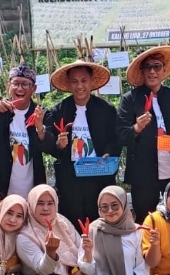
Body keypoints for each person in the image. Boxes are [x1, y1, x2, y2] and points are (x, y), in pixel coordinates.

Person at [116, 46, 170, 224]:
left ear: (164, 70)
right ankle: (146, 252)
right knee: (146, 219)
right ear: (141, 71)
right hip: (143, 174)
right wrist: (137, 128)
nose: (152, 71)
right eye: (147, 67)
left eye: (156, 66)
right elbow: (121, 135)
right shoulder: (130, 99)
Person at [43, 59, 119, 226]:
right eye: (74, 82)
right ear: (69, 84)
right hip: (71, 177)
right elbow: (50, 146)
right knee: (72, 218)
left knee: (100, 218)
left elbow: (115, 139)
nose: (79, 86)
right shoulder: (58, 111)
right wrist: (59, 145)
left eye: (84, 81)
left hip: (98, 172)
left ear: (91, 82)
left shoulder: (105, 109)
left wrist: (109, 152)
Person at [0, 64, 47, 197]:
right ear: (8, 86)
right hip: (0, 186)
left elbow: (49, 146)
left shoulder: (41, 113)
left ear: (34, 88)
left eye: (25, 84)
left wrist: (40, 126)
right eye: (15, 83)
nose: (20, 88)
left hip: (31, 188)